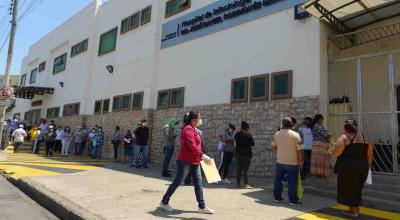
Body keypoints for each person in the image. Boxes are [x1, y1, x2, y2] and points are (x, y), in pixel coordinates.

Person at [160, 111, 214, 214]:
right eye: (198, 119)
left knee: (198, 183)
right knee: (178, 182)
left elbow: (198, 145)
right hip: (185, 161)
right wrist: (202, 155)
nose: (200, 120)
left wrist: (201, 156)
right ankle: (164, 202)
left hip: (195, 161)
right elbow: (192, 145)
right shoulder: (187, 130)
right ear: (193, 120)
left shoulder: (194, 129)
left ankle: (202, 206)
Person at [332, 120, 373, 218]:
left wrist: (331, 143)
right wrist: (368, 166)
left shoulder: (344, 138)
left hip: (348, 167)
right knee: (356, 188)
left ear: (345, 128)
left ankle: (354, 212)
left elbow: (337, 153)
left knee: (350, 188)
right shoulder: (365, 138)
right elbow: (370, 154)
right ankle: (353, 209)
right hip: (362, 166)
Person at [272, 117, 303, 206]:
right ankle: (292, 201)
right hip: (292, 163)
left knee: (278, 181)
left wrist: (278, 154)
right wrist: (300, 161)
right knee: (292, 182)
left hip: (280, 161)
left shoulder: (277, 134)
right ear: (291, 125)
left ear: (282, 124)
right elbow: (300, 150)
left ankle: (277, 197)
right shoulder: (296, 135)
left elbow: (274, 146)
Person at [234, 121, 255, 189]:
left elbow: (234, 143)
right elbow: (253, 144)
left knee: (239, 169)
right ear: (246, 128)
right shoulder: (248, 135)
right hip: (246, 154)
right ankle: (246, 184)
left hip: (238, 154)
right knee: (245, 170)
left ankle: (237, 184)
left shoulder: (237, 134)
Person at [310, 114, 331, 178]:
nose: (323, 120)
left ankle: (319, 173)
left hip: (318, 145)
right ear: (319, 119)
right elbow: (325, 135)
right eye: (322, 119)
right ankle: (321, 173)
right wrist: (330, 136)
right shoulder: (318, 126)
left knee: (318, 159)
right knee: (321, 159)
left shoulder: (317, 125)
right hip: (320, 145)